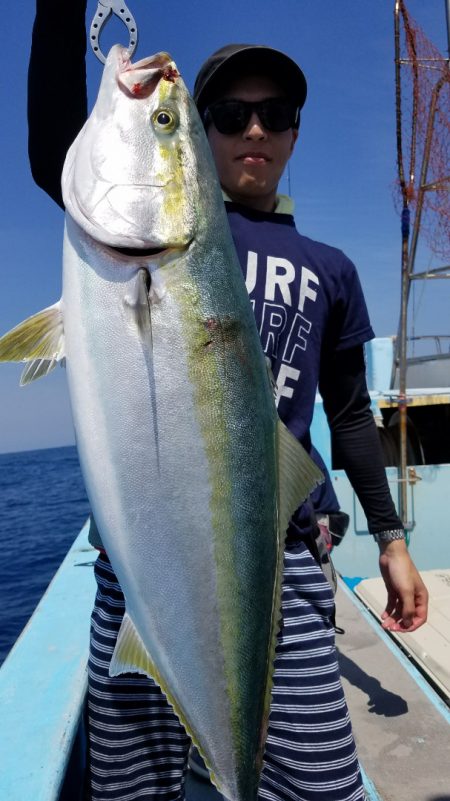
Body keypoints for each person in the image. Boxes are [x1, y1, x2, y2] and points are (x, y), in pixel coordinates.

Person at [27, 4, 428, 800]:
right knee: (132, 787)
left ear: (294, 135)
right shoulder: (157, 233)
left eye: (274, 116)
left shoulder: (332, 268)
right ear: (204, 133)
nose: (254, 130)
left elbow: (348, 413)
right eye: (228, 114)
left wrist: (389, 537)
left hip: (284, 561)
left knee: (316, 781)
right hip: (142, 571)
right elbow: (55, 154)